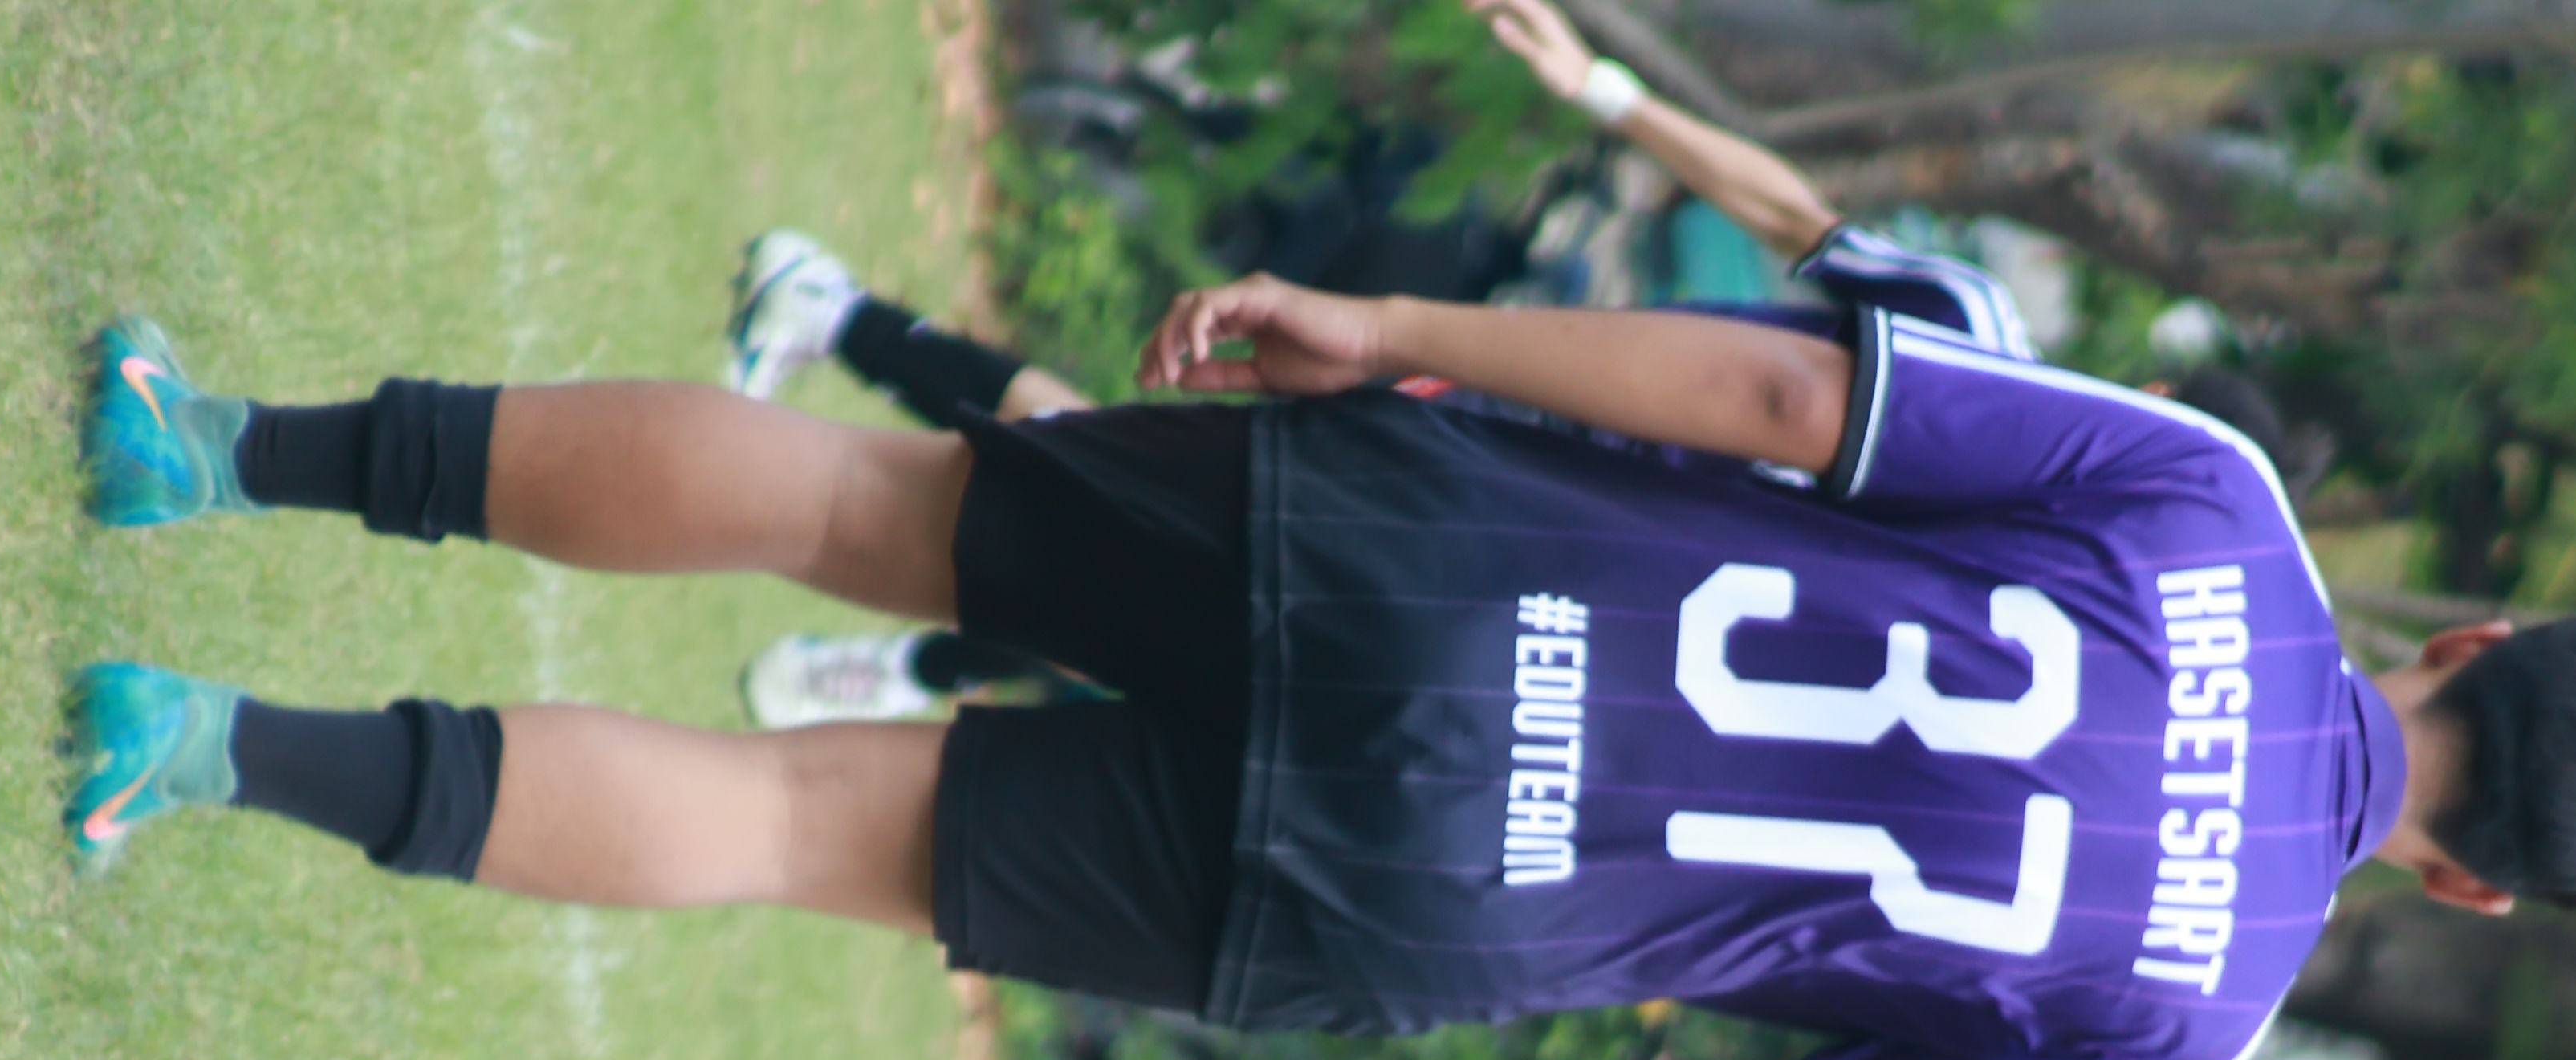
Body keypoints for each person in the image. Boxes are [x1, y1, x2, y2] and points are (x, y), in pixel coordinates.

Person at [57, 248, 2576, 1060]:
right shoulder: (2189, 1021)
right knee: (782, 826)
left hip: (1452, 568)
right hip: (1438, 888)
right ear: (2474, 891)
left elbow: (1784, 399)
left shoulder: (2221, 512)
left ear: (2472, 634)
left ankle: (220, 453)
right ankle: (194, 752)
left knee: (866, 509)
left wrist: (1403, 324)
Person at [720, 0, 2040, 728]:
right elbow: (1795, 217)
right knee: (1119, 496)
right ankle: (842, 335)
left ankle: (913, 630)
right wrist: (1603, 92)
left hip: (1553, 608)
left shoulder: (2015, 612)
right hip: (1496, 449)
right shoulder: (1972, 344)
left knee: (1200, 633)